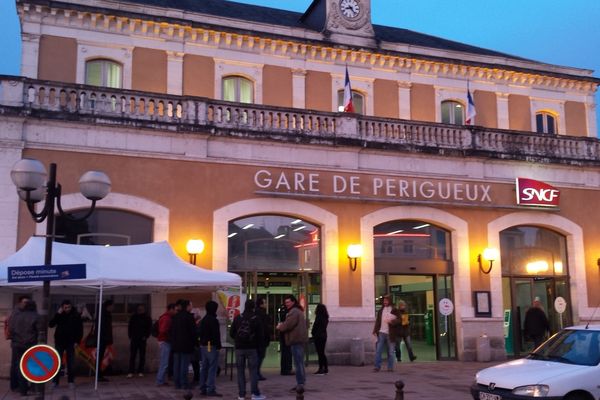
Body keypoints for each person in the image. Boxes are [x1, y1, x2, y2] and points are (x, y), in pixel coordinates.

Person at [231, 299, 266, 400]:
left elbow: (232, 333)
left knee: (240, 371)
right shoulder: (256, 318)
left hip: (239, 348)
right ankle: (255, 394)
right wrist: (260, 348)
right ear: (253, 307)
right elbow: (260, 336)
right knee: (253, 371)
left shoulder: (238, 318)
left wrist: (238, 340)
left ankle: (241, 395)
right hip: (252, 348)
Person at [276, 294, 308, 392]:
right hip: (298, 340)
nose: (287, 304)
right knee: (300, 362)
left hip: (295, 340)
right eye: (285, 302)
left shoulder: (293, 312)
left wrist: (280, 326)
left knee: (298, 363)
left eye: (288, 302)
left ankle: (300, 384)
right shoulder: (298, 311)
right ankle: (301, 382)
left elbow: (288, 325)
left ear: (293, 302)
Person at [9, 299, 41, 396]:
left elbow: (11, 329)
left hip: (18, 344)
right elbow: (40, 330)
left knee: (20, 366)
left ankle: (23, 390)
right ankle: (33, 387)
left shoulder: (16, 316)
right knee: (33, 366)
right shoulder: (36, 316)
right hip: (30, 344)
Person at [49, 299, 83, 388]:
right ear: (62, 307)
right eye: (65, 307)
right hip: (60, 341)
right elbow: (51, 324)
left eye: (68, 307)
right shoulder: (59, 315)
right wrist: (57, 314)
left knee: (71, 362)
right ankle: (55, 382)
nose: (67, 309)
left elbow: (80, 329)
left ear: (71, 307)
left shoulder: (75, 315)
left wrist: (77, 341)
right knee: (57, 362)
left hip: (71, 342)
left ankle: (71, 381)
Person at [170, 299, 197, 391]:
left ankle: (177, 383)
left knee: (177, 365)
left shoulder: (176, 317)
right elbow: (193, 332)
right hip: (186, 345)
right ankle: (184, 383)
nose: (192, 307)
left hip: (176, 345)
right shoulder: (189, 317)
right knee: (184, 365)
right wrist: (194, 343)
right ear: (187, 306)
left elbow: (172, 331)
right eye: (191, 305)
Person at [197, 300, 223, 397]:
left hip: (204, 345)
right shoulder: (213, 320)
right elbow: (216, 334)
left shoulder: (204, 320)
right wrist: (219, 346)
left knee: (204, 367)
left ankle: (203, 387)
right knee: (212, 367)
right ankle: (210, 388)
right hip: (210, 345)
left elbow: (199, 332)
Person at [8, 295, 31, 392]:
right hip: (18, 342)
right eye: (24, 302)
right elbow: (12, 328)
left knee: (20, 364)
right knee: (17, 365)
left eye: (27, 302)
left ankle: (18, 385)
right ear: (20, 302)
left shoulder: (23, 312)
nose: (26, 304)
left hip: (21, 342)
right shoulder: (16, 313)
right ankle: (16, 385)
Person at [372, 294, 397, 372]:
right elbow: (378, 321)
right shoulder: (381, 310)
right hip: (381, 333)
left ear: (390, 301)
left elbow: (399, 320)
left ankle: (390, 367)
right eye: (384, 301)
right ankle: (377, 366)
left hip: (390, 333)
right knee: (378, 350)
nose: (385, 302)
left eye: (386, 300)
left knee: (390, 352)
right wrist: (375, 330)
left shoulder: (394, 310)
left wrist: (392, 321)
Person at [127, 304, 152, 378]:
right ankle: (131, 371)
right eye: (139, 309)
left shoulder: (147, 318)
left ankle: (140, 371)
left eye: (142, 309)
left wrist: (146, 336)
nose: (140, 310)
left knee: (142, 355)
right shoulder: (133, 317)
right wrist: (130, 336)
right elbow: (130, 327)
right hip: (134, 338)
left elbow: (149, 328)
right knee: (132, 355)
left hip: (142, 339)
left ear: (144, 309)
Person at [156, 303, 176, 386]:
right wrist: (170, 335)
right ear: (171, 309)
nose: (176, 311)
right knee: (164, 363)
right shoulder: (166, 318)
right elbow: (162, 330)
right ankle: (160, 380)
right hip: (165, 341)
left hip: (163, 341)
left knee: (165, 362)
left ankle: (162, 380)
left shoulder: (165, 317)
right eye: (175, 310)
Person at [95, 299, 114, 382]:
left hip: (104, 339)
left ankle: (99, 374)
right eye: (112, 306)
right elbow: (103, 328)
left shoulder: (106, 314)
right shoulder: (103, 315)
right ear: (108, 306)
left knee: (101, 357)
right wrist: (106, 338)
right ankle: (98, 375)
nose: (113, 308)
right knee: (99, 357)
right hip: (102, 339)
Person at [255, 297, 271, 381]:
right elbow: (265, 327)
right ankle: (256, 373)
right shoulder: (262, 314)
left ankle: (256, 373)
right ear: (261, 304)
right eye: (264, 302)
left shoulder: (255, 313)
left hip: (256, 339)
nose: (266, 304)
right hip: (261, 339)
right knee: (260, 356)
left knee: (258, 356)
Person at [311, 303, 329, 375]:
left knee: (320, 353)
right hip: (323, 336)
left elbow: (315, 326)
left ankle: (321, 368)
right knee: (322, 353)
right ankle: (325, 367)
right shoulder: (325, 317)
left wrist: (313, 333)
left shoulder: (319, 317)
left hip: (318, 336)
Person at [277, 303, 293, 376]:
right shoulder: (287, 312)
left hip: (283, 335)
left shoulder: (282, 311)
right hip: (286, 335)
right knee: (287, 352)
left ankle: (284, 369)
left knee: (285, 352)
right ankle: (287, 369)